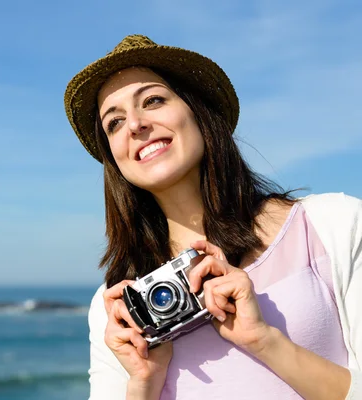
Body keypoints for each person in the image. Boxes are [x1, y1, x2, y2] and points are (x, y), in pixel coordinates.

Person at [63, 34, 362, 399]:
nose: (135, 125)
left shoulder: (332, 224)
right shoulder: (119, 306)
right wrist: (143, 382)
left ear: (199, 112)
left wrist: (265, 341)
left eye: (153, 100)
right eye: (114, 122)